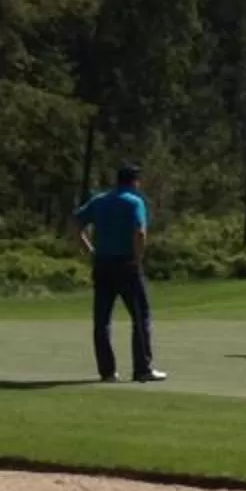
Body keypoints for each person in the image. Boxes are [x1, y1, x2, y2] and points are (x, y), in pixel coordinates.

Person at [71, 163, 165, 383]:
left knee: (102, 320)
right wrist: (138, 258)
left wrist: (86, 248)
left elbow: (76, 222)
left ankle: (107, 372)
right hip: (126, 264)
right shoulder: (134, 201)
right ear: (134, 182)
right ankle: (142, 369)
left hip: (102, 263)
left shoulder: (100, 200)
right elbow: (140, 233)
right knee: (140, 316)